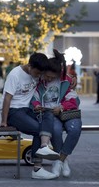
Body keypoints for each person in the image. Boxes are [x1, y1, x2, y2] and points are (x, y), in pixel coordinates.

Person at [0, 52, 59, 180]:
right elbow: (7, 98)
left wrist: (72, 79)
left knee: (47, 114)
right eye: (36, 73)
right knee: (38, 129)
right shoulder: (15, 75)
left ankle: (44, 147)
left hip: (27, 109)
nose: (39, 76)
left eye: (41, 74)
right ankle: (37, 168)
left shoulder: (38, 72)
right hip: (14, 111)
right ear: (29, 66)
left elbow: (54, 72)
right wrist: (4, 121)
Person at [30, 49, 81, 178]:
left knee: (75, 129)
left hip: (68, 112)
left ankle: (60, 160)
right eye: (47, 76)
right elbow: (34, 98)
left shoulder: (66, 81)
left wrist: (62, 106)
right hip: (50, 115)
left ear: (58, 74)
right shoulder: (39, 81)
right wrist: (37, 106)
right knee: (56, 130)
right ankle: (62, 160)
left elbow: (75, 100)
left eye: (52, 77)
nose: (49, 79)